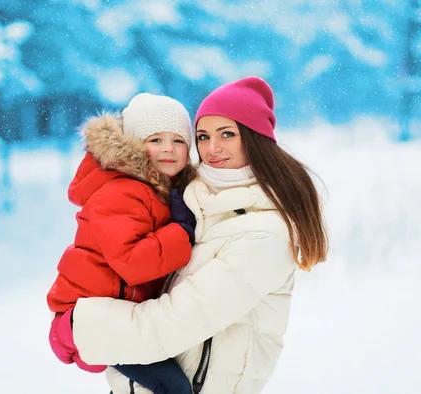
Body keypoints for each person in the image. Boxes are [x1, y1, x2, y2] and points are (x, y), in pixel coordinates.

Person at [51, 77, 329, 394]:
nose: (212, 148)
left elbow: (167, 326)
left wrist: (78, 327)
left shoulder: (264, 233)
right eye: (203, 136)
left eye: (227, 134)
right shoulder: (194, 201)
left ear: (255, 139)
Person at [47, 93, 198, 394]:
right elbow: (132, 262)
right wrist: (182, 232)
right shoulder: (122, 191)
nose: (168, 148)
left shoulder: (157, 190)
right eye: (155, 139)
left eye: (178, 141)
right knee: (174, 388)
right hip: (88, 317)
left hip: (115, 313)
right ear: (133, 145)